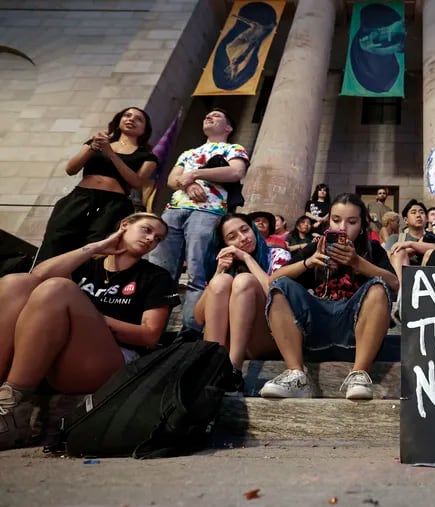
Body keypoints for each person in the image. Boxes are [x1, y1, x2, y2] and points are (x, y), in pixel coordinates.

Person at [0, 213, 179, 450]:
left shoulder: (156, 277)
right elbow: (37, 277)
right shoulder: (86, 266)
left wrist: (89, 316)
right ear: (124, 225)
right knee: (16, 283)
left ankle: (8, 405)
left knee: (58, 289)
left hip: (110, 360)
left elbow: (149, 335)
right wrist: (94, 247)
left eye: (158, 239)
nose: (151, 239)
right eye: (146, 230)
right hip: (56, 351)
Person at [260, 193, 399, 400]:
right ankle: (296, 374)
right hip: (316, 330)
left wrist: (358, 263)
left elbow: (395, 284)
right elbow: (273, 280)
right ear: (328, 222)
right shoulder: (315, 247)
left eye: (351, 222)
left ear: (362, 225)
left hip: (354, 335)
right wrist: (309, 262)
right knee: (282, 286)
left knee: (378, 287)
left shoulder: (373, 250)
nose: (342, 227)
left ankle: (359, 374)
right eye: (336, 220)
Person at [149, 108, 248, 334]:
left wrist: (195, 175)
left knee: (198, 272)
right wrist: (188, 184)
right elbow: (173, 179)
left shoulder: (234, 149)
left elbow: (235, 173)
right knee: (160, 272)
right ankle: (152, 330)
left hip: (208, 211)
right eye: (207, 115)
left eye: (216, 116)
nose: (208, 117)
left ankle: (190, 332)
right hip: (174, 210)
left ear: (228, 128)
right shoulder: (188, 152)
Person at [36, 107, 158, 262]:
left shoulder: (147, 156)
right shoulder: (96, 143)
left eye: (138, 119)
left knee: (95, 247)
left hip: (113, 204)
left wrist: (111, 154)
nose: (131, 119)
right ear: (119, 120)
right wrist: (93, 147)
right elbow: (71, 169)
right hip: (80, 197)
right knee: (57, 238)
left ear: (144, 129)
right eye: (127, 115)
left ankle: (80, 283)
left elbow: (136, 182)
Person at [193, 213, 283, 392]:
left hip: (266, 337)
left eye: (245, 230)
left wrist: (247, 259)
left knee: (244, 281)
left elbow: (275, 295)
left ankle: (233, 371)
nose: (243, 238)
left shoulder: (277, 254)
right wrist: (218, 272)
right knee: (221, 282)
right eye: (232, 237)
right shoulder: (224, 264)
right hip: (225, 341)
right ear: (225, 245)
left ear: (253, 229)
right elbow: (198, 318)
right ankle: (214, 369)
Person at [386, 199, 435, 285]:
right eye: (413, 212)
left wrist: (411, 244)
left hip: (427, 282)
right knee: (399, 252)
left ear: (426, 219)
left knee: (431, 252)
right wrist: (410, 251)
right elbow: (386, 256)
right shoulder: (396, 238)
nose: (418, 215)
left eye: (421, 212)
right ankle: (401, 294)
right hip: (401, 280)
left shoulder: (433, 238)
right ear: (406, 220)